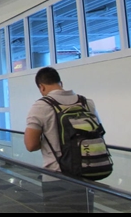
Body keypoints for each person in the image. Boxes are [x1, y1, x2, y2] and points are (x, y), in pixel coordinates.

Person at [24, 67, 98, 213]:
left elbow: (31, 145)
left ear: (41, 87)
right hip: (86, 173)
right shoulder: (86, 102)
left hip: (56, 175)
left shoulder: (41, 106)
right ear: (61, 83)